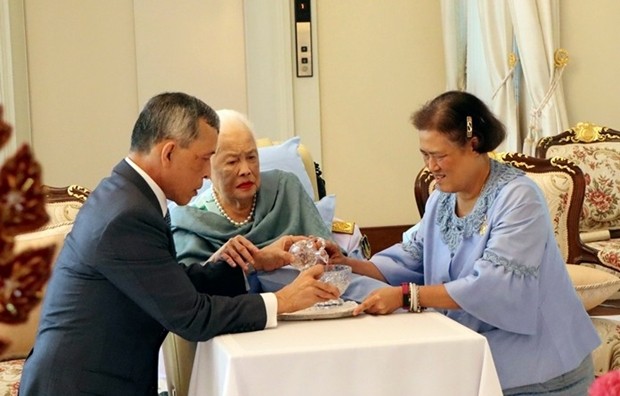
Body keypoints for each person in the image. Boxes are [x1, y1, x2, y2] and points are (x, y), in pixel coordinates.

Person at [19, 92, 339, 395]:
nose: (206, 173)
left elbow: (170, 283)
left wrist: (254, 262)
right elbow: (191, 316)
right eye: (204, 159)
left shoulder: (130, 195)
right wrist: (282, 300)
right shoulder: (126, 215)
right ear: (169, 152)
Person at [327, 91, 600, 394]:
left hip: (543, 370)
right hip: (480, 359)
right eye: (424, 154)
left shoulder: (519, 198)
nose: (431, 166)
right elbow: (408, 259)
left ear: (474, 144)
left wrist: (407, 297)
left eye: (440, 156)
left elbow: (496, 285)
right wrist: (346, 263)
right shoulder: (441, 200)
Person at [171, 109, 388, 301]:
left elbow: (330, 261)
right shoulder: (190, 219)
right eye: (232, 161)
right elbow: (189, 291)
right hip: (243, 314)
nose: (246, 169)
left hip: (313, 302)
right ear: (209, 166)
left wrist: (318, 249)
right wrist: (253, 264)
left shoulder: (284, 188)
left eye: (251, 157)